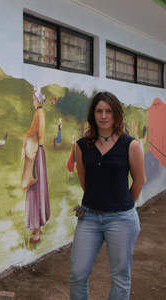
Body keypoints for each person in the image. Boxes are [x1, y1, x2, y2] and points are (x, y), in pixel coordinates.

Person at [69, 91, 145, 300]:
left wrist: (121, 204)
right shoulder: (82, 146)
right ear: (93, 114)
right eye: (99, 111)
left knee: (120, 277)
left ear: (116, 114)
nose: (103, 116)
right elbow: (84, 181)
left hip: (121, 219)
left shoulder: (130, 145)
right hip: (89, 218)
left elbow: (139, 181)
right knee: (77, 274)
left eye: (108, 111)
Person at [21, 85, 50, 243]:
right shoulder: (42, 113)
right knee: (39, 188)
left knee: (34, 189)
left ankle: (36, 231)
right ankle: (38, 226)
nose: (32, 102)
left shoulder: (38, 113)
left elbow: (32, 131)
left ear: (37, 100)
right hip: (40, 152)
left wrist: (25, 137)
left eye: (33, 99)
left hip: (36, 153)